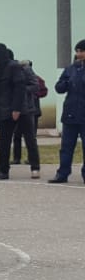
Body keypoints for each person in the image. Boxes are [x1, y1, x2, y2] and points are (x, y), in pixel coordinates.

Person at [0, 42, 28, 180]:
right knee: (1, 141)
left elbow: (19, 89)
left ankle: (4, 170)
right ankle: (0, 169)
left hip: (10, 110)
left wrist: (16, 109)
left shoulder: (13, 67)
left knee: (6, 141)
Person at [50, 40, 85, 183]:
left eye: (81, 51)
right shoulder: (70, 69)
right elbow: (59, 87)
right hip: (70, 114)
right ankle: (62, 174)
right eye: (77, 51)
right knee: (66, 147)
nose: (79, 54)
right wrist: (65, 83)